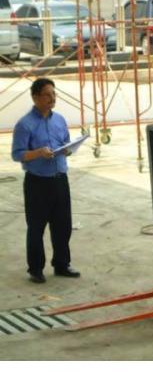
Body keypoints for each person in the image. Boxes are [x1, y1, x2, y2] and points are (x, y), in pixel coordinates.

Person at [11, 78, 80, 283]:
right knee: (36, 227)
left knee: (63, 225)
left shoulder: (59, 120)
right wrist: (38, 153)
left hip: (60, 179)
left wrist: (68, 149)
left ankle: (61, 264)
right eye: (47, 95)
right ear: (35, 98)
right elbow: (17, 154)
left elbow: (65, 143)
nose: (52, 98)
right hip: (37, 183)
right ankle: (36, 269)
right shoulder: (25, 124)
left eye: (54, 94)